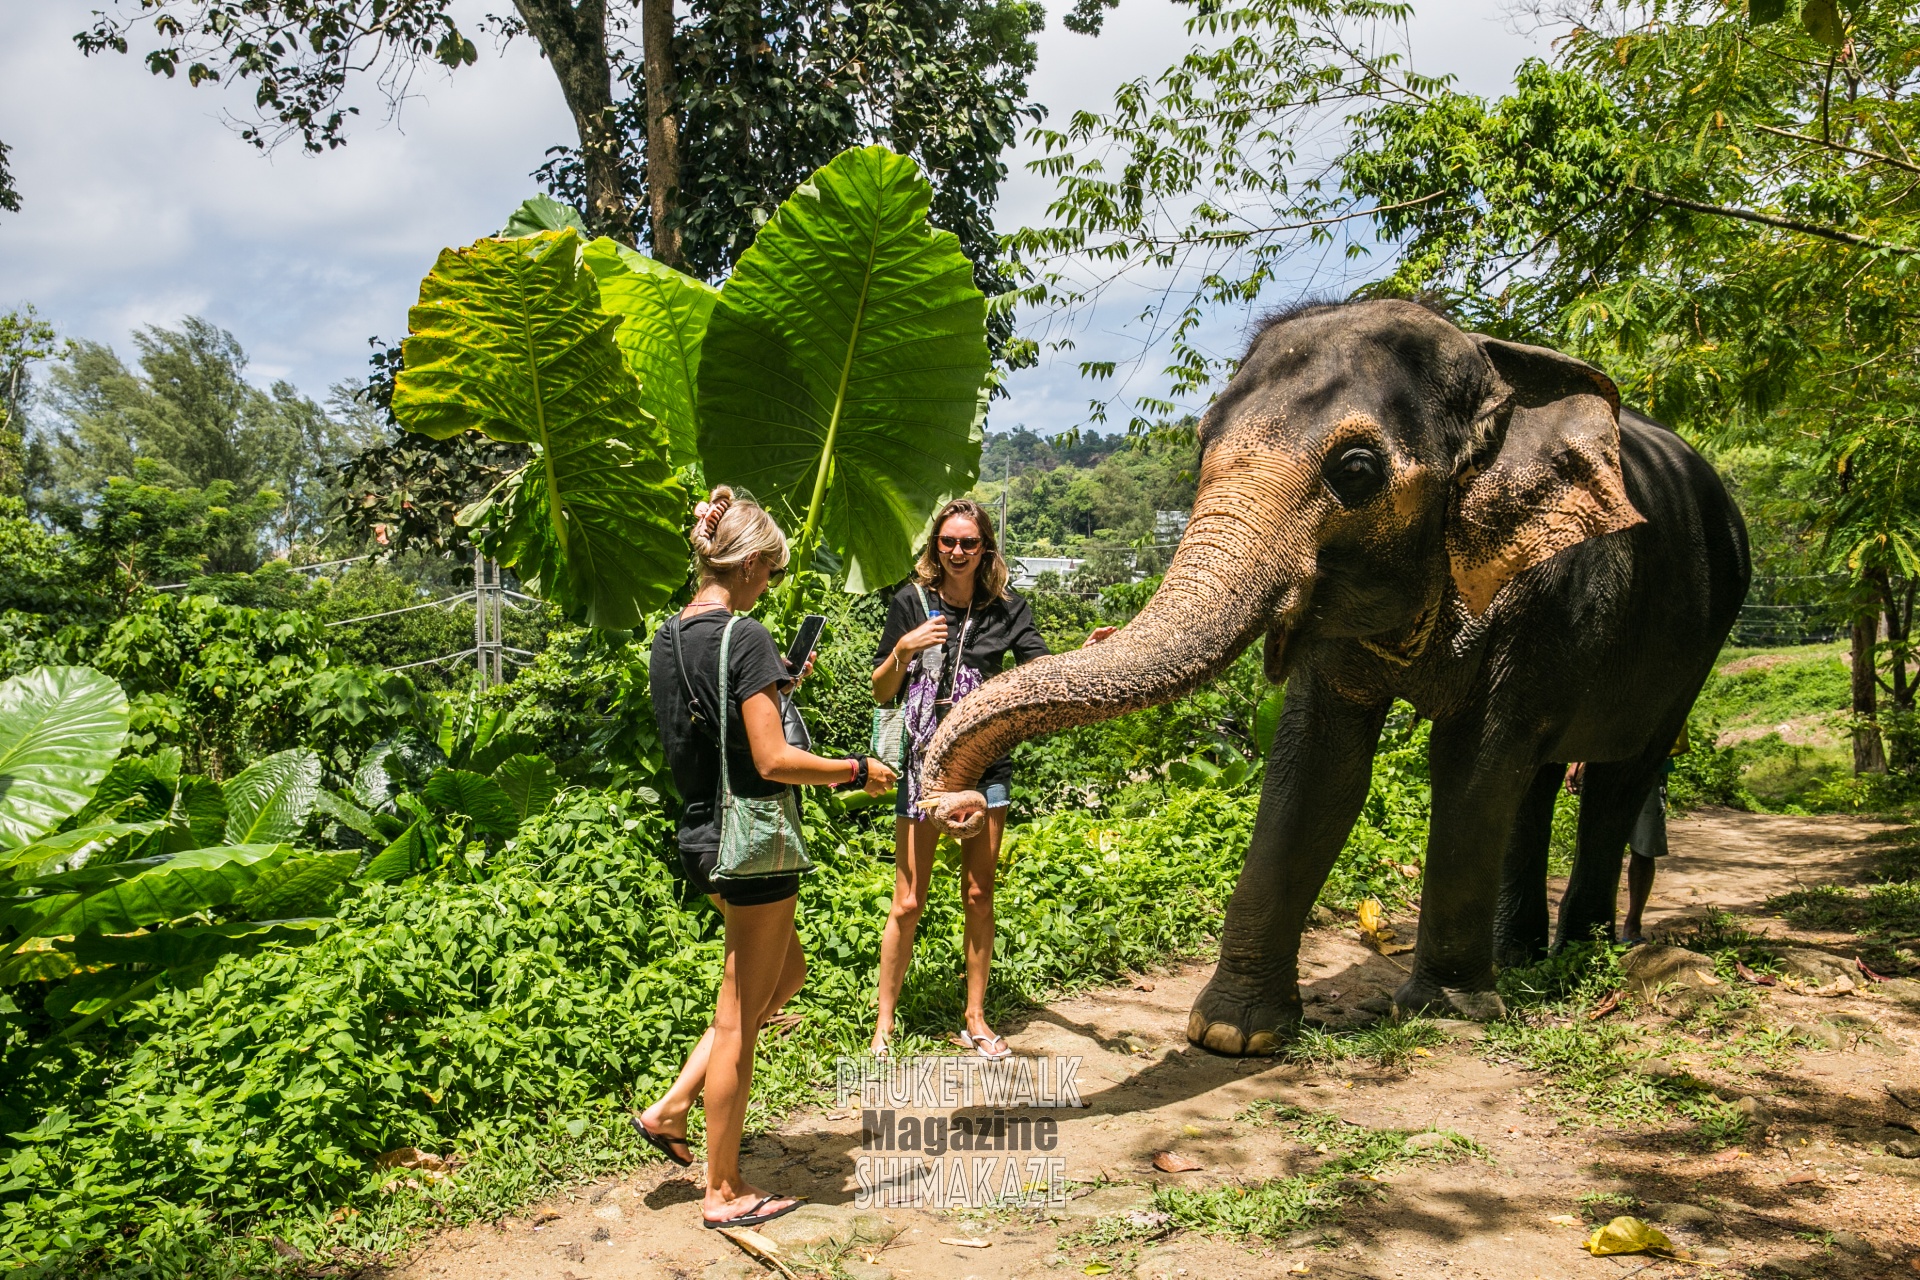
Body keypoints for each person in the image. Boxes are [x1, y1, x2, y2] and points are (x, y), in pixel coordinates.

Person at [635, 485, 896, 1229]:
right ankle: (722, 1191)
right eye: (770, 572)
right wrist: (854, 769)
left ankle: (674, 1105)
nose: (770, 584)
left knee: (787, 973)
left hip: (699, 835)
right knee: (740, 1019)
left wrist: (772, 686)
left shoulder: (669, 634)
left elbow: (706, 721)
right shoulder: (743, 636)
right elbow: (773, 759)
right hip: (753, 842)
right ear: (748, 562)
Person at [868, 499, 1114, 1060]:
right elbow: (882, 691)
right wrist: (904, 651)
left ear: (985, 550)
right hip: (922, 766)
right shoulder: (911, 601)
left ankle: (975, 1018)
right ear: (936, 547)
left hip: (986, 769)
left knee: (979, 893)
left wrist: (1089, 658)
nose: (957, 552)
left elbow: (1039, 676)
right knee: (908, 901)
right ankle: (884, 1024)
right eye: (948, 542)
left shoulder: (1007, 610)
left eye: (968, 543)